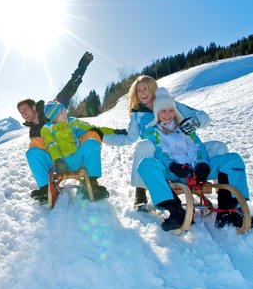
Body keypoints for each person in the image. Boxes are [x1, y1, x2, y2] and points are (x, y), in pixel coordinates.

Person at [104, 75, 228, 211]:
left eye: (145, 89)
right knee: (144, 145)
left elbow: (203, 117)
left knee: (219, 147)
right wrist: (102, 137)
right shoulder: (138, 115)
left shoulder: (171, 104)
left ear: (153, 89)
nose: (142, 93)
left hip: (186, 152)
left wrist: (195, 121)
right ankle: (140, 191)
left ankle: (224, 193)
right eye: (139, 90)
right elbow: (129, 138)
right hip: (161, 156)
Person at [137, 88, 250, 232]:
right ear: (156, 113)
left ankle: (228, 211)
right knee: (146, 164)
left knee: (233, 159)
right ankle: (176, 212)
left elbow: (197, 148)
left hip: (196, 170)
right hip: (174, 171)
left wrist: (202, 164)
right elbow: (161, 152)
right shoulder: (153, 131)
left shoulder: (185, 127)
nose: (167, 115)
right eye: (163, 111)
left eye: (170, 110)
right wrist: (174, 166)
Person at [17, 52, 94, 200]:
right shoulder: (33, 131)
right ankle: (46, 189)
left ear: (34, 107)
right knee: (33, 150)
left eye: (26, 110)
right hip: (55, 160)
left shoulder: (51, 111)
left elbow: (69, 89)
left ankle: (92, 180)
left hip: (70, 152)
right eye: (21, 113)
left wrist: (82, 67)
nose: (24, 114)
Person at [38, 100, 110, 201]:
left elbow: (91, 128)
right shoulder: (47, 128)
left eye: (63, 110)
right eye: (59, 114)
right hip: (58, 164)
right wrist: (58, 160)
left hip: (76, 159)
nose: (63, 114)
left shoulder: (73, 122)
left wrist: (114, 131)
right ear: (53, 118)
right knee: (34, 153)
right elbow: (51, 145)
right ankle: (45, 189)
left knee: (92, 142)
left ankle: (91, 185)